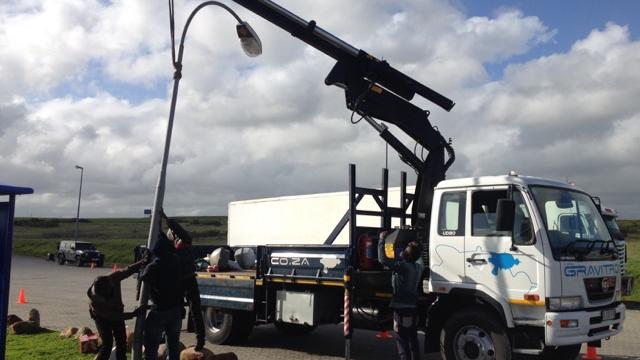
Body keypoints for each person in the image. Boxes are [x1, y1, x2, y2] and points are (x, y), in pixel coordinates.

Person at [160, 209, 206, 351]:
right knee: (176, 310)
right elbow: (160, 236)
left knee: (195, 310)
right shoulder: (171, 248)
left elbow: (178, 230)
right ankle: (167, 336)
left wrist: (165, 218)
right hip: (180, 282)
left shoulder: (186, 241)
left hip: (188, 280)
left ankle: (200, 339)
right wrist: (157, 223)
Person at [87, 258, 148, 360]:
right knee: (107, 343)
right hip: (102, 318)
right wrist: (133, 314)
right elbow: (114, 316)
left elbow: (127, 270)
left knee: (121, 341)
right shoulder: (95, 303)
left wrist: (142, 262)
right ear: (101, 295)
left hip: (116, 312)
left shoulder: (112, 278)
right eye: (108, 295)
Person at [377, 232, 424, 360]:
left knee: (402, 340)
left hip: (401, 308)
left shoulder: (403, 267)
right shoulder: (418, 267)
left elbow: (383, 260)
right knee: (413, 339)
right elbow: (418, 256)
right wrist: (415, 246)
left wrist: (381, 240)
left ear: (406, 255)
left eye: (405, 250)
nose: (402, 251)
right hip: (413, 308)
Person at [141, 231, 183, 360]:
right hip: (175, 309)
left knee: (151, 345)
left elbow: (143, 278)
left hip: (160, 310)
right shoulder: (176, 262)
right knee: (173, 345)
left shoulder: (154, 266)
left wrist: (145, 263)